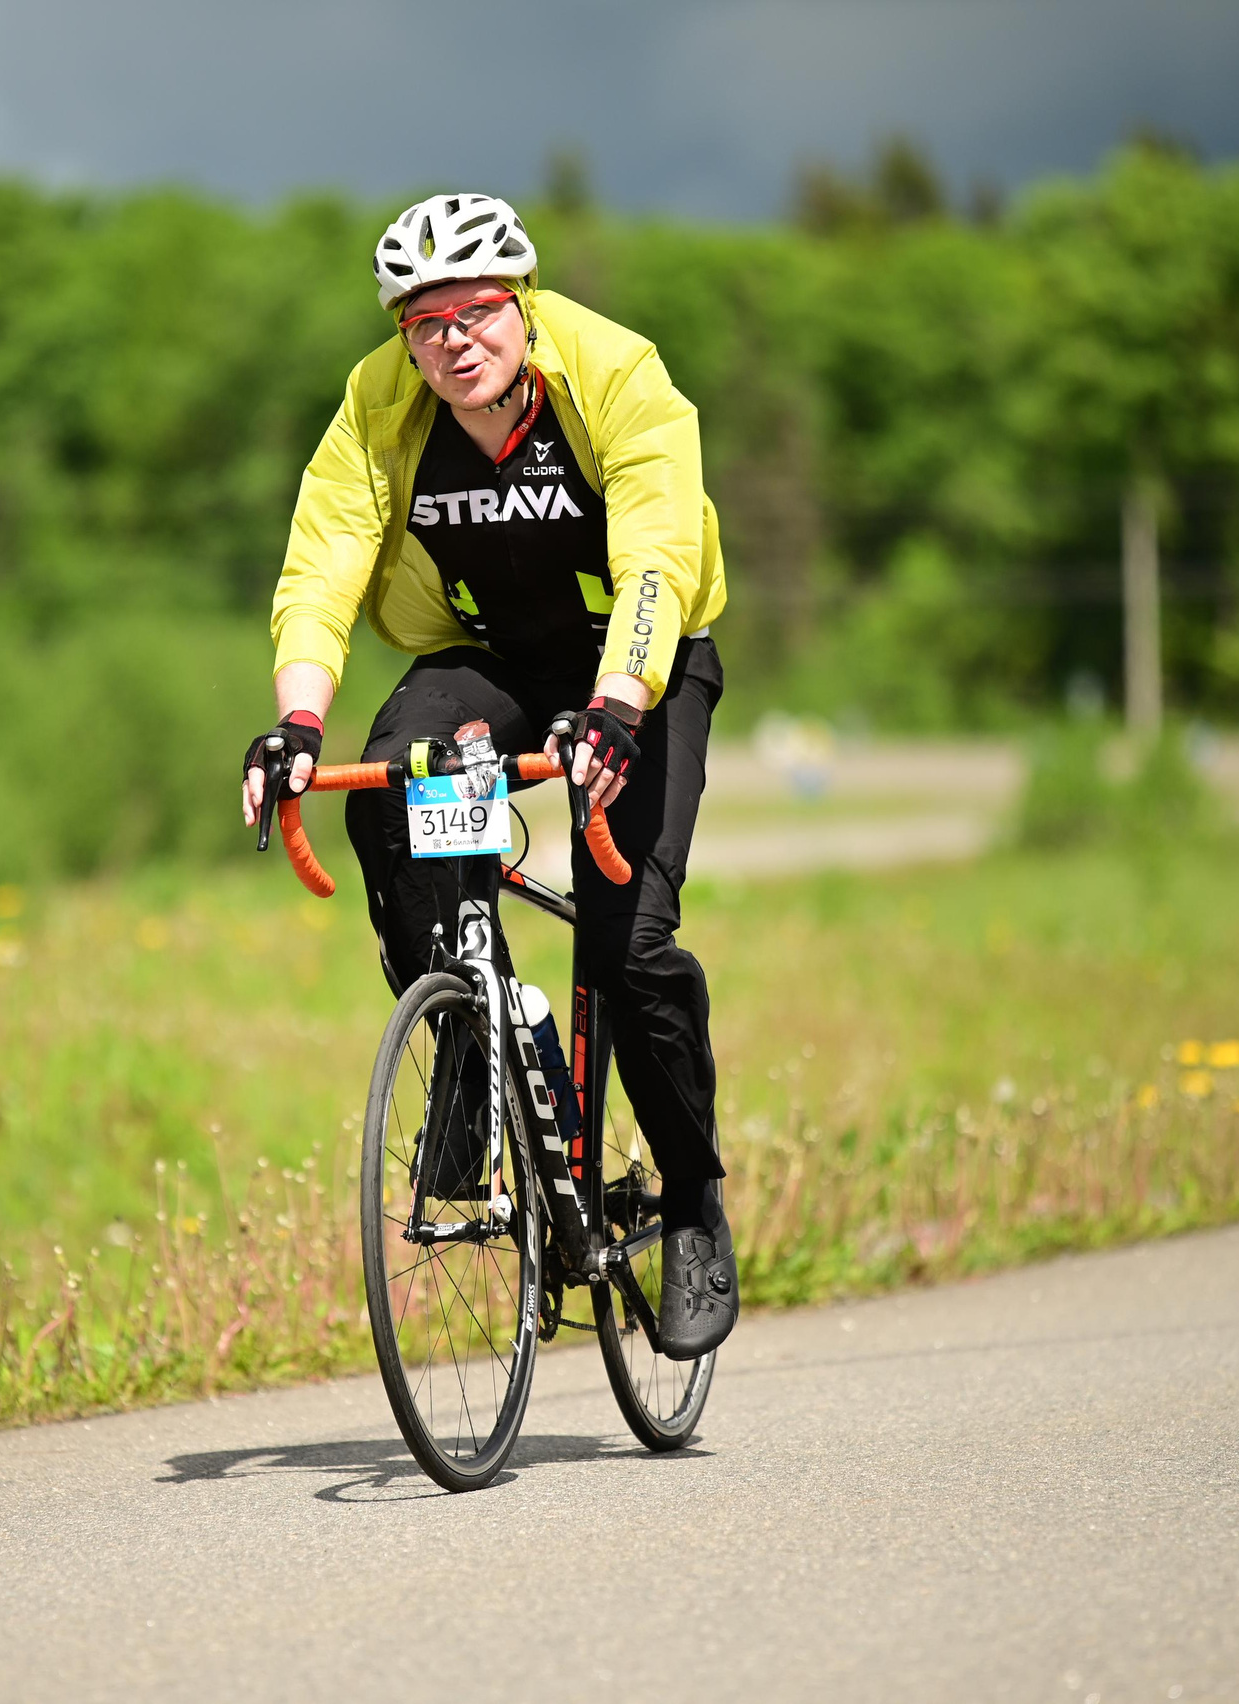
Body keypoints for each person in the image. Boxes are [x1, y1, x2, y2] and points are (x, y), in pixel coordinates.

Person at [239, 192, 737, 1358]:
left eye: (473, 313)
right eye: (424, 322)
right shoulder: (382, 406)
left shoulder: (615, 373)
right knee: (397, 794)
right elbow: (321, 567)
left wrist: (616, 708)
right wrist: (296, 724)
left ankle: (694, 1208)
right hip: (486, 665)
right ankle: (475, 1029)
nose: (451, 340)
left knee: (626, 948)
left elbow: (658, 556)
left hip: (640, 668)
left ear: (519, 306)